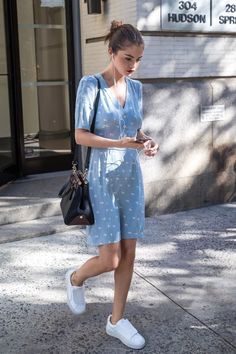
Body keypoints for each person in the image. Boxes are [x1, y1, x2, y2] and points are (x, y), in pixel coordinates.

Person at [66, 20, 159, 350]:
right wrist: (119, 144)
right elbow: (80, 135)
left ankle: (116, 320)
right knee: (110, 258)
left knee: (129, 254)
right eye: (127, 58)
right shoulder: (91, 85)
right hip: (103, 177)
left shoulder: (136, 89)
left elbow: (135, 131)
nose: (132, 66)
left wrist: (146, 142)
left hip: (131, 178)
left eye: (137, 60)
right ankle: (76, 279)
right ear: (111, 52)